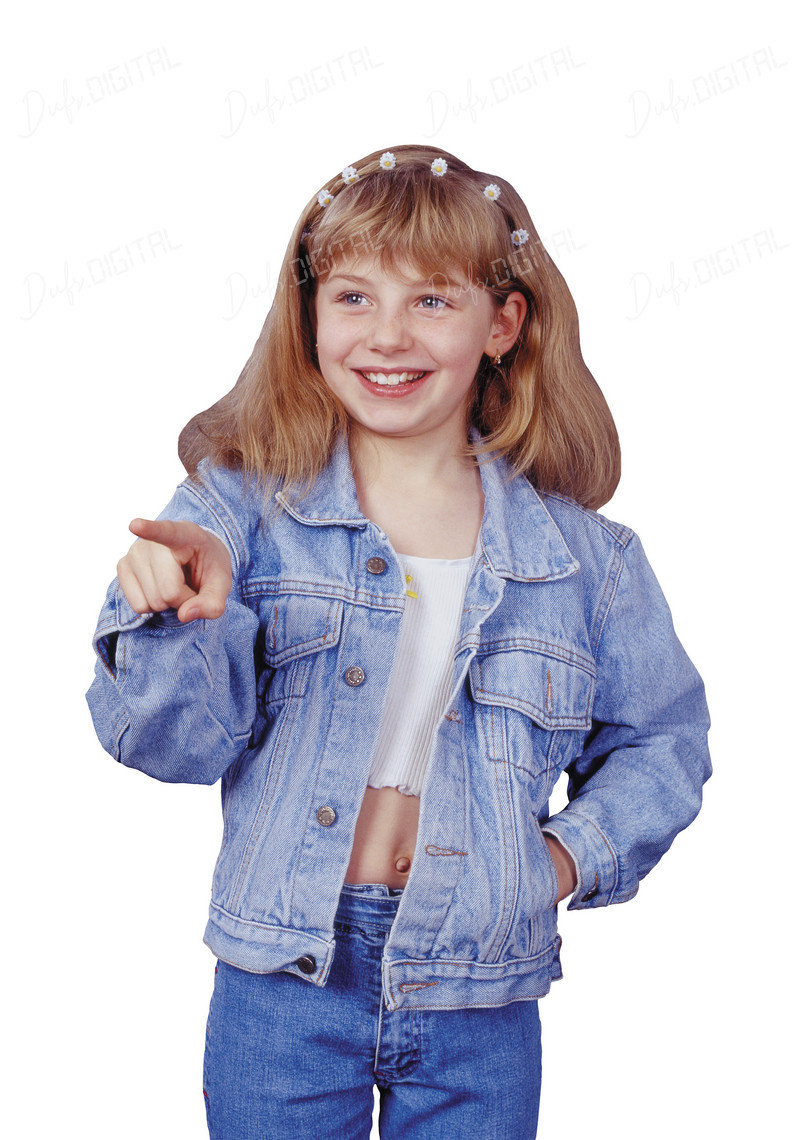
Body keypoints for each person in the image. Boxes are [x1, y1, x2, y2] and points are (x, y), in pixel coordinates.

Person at [86, 144, 711, 1139]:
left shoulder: (586, 560)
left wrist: (555, 862)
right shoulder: (237, 516)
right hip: (285, 976)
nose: (386, 334)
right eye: (352, 297)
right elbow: (170, 749)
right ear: (309, 317)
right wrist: (170, 621)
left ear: (501, 323)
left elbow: (661, 745)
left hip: (479, 983)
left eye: (430, 301)